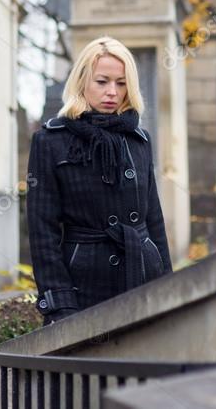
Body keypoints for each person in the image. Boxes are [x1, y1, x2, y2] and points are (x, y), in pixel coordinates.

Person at [27, 36, 173, 324]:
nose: (112, 92)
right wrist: (60, 301)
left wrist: (168, 287)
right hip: (84, 283)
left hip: (142, 274)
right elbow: (42, 230)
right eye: (102, 81)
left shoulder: (139, 140)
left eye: (121, 83)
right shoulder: (51, 141)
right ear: (82, 81)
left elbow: (153, 219)